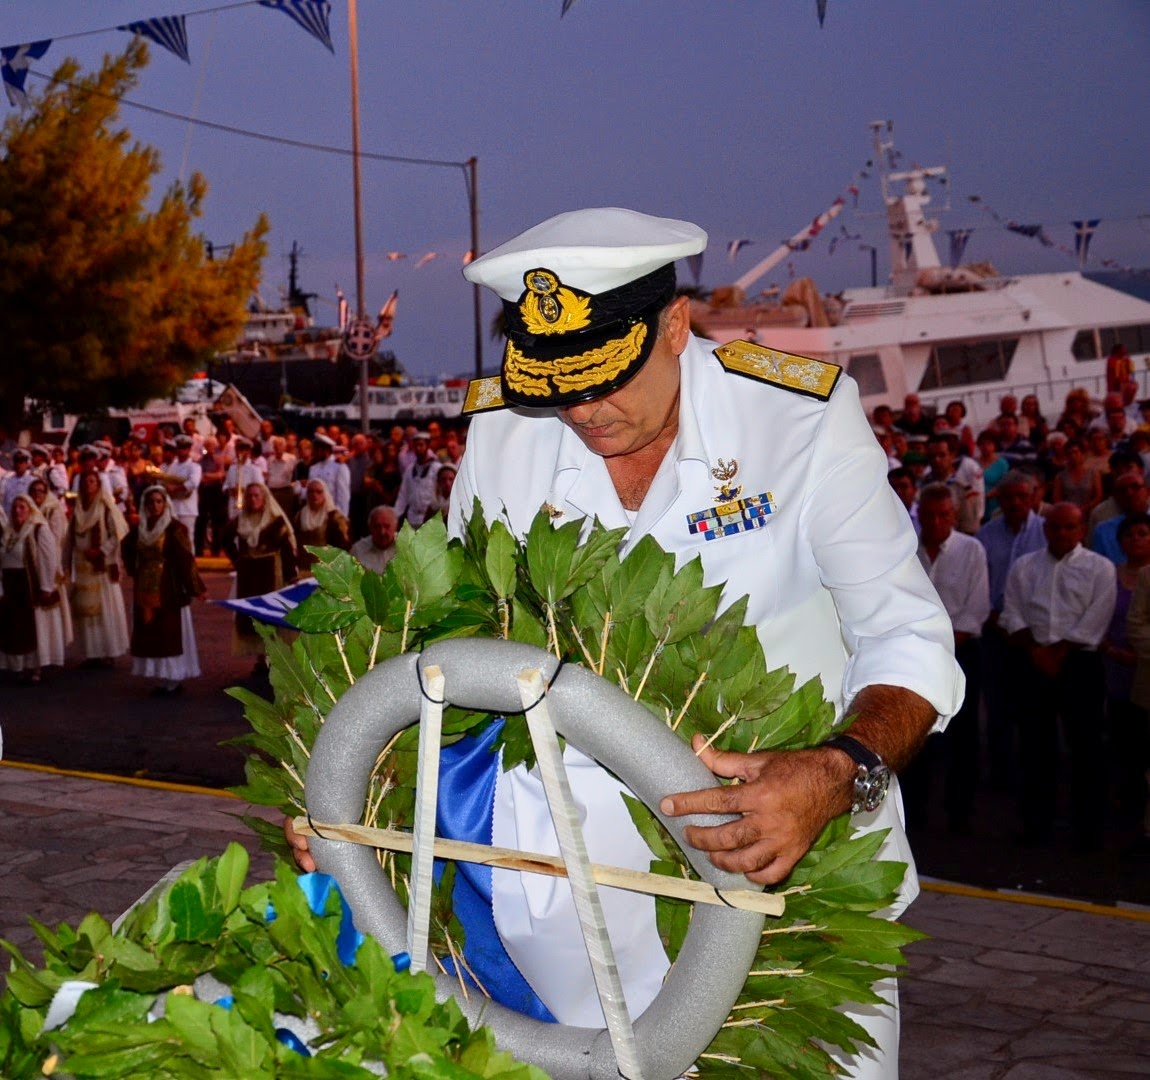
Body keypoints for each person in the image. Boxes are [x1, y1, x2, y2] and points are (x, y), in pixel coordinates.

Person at [1001, 503, 1116, 847]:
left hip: (1079, 664)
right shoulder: (1025, 566)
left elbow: (1096, 618)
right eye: (1055, 527)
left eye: (1070, 527)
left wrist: (1059, 653)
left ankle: (1088, 828)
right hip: (1032, 659)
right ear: (1045, 529)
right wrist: (1037, 651)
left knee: (1087, 747)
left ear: (1082, 530)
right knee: (1036, 746)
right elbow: (1013, 613)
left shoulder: (1100, 569)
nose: (1062, 534)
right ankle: (1036, 824)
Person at [900, 485, 990, 833]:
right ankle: (916, 814)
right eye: (928, 516)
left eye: (943, 515)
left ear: (954, 516)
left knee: (963, 738)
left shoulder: (972, 550)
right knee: (914, 736)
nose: (936, 522)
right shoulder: (907, 549)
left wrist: (940, 650)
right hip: (914, 654)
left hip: (960, 652)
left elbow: (975, 610)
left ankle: (959, 815)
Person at [976, 469, 1047, 790]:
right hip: (994, 627)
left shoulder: (1049, 531)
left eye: (1022, 496)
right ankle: (1000, 772)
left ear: (1034, 497)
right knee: (996, 702)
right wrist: (994, 619)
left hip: (1036, 632)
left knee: (1034, 705)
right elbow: (979, 583)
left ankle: (1034, 773)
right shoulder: (987, 535)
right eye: (1008, 497)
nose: (1016, 502)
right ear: (999, 499)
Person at [121, 485, 206, 696]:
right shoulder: (141, 528)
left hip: (168, 587)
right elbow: (127, 546)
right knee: (152, 630)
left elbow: (186, 560)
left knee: (169, 630)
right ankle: (160, 676)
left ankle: (174, 677)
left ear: (165, 503)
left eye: (159, 501)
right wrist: (134, 568)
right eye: (150, 502)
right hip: (145, 585)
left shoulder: (175, 528)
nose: (155, 506)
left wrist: (196, 588)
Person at [223, 481, 297, 660]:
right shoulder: (239, 521)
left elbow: (286, 549)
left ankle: (272, 658)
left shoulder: (275, 522)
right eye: (249, 496)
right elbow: (224, 539)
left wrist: (291, 575)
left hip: (270, 573)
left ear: (264, 499)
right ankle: (259, 658)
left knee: (270, 614)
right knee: (252, 616)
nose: (253, 499)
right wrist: (237, 559)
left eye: (257, 496)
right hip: (248, 575)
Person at [65, 470, 131, 668]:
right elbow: (69, 540)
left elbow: (119, 532)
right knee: (85, 612)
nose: (89, 486)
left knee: (104, 611)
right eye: (85, 482)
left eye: (92, 482)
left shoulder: (105, 507)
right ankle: (91, 654)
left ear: (99, 485)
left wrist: (101, 550)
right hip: (82, 567)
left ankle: (108, 652)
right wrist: (65, 564)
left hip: (101, 567)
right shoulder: (78, 509)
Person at [0, 493, 68, 683]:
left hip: (28, 585)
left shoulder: (38, 529)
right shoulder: (9, 533)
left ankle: (35, 667)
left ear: (30, 510)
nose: (17, 511)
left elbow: (48, 558)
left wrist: (46, 586)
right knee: (14, 628)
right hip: (11, 585)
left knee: (32, 628)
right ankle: (18, 667)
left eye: (22, 507)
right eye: (15, 507)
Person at [922, 432, 984, 534]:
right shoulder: (920, 486)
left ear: (952, 456)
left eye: (942, 455)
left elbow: (970, 528)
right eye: (932, 456)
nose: (936, 460)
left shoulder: (964, 491)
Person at [293, 477, 351, 571]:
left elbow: (342, 548)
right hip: (303, 570)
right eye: (310, 492)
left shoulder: (334, 517)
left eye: (318, 492)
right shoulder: (300, 516)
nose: (314, 495)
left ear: (325, 494)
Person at [393, 431, 442, 527]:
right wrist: (395, 516)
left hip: (431, 517)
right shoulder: (410, 469)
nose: (418, 448)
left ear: (427, 446)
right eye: (415, 446)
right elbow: (403, 495)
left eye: (421, 445)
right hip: (412, 518)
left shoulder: (437, 468)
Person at [308, 434, 351, 518]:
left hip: (332, 513)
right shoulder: (313, 468)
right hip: (316, 514)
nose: (314, 452)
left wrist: (341, 517)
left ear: (325, 450)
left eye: (317, 449)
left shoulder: (339, 467)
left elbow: (343, 496)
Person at [350, 505, 398, 573]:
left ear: (395, 527)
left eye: (387, 526)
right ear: (370, 528)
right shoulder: (358, 551)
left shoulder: (407, 548)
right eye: (377, 527)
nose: (382, 532)